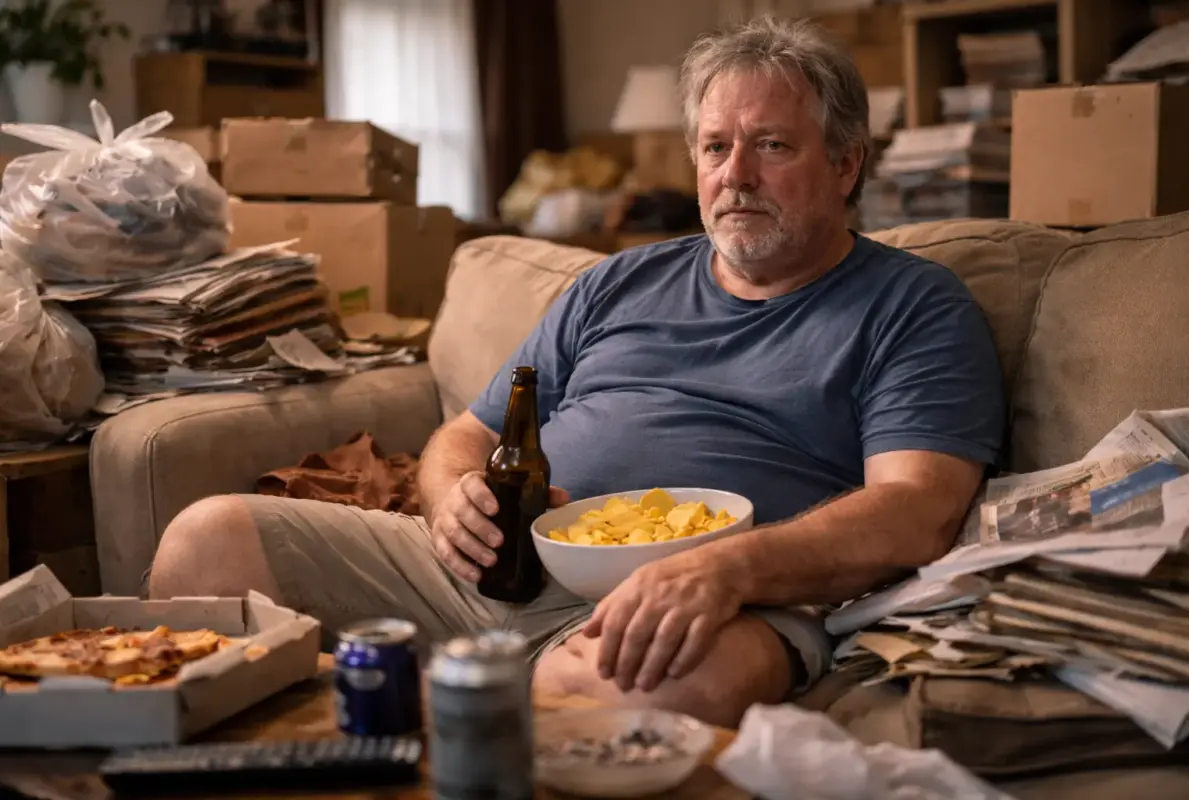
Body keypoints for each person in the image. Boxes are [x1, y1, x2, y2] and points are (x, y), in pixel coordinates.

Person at [148, 16, 1005, 729]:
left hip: (719, 597)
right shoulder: (614, 280)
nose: (733, 176)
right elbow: (469, 434)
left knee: (646, 694)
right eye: (714, 148)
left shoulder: (912, 305)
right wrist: (450, 498)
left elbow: (915, 510)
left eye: (771, 146)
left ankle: (430, 718)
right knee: (204, 544)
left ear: (847, 164)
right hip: (503, 566)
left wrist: (729, 568)